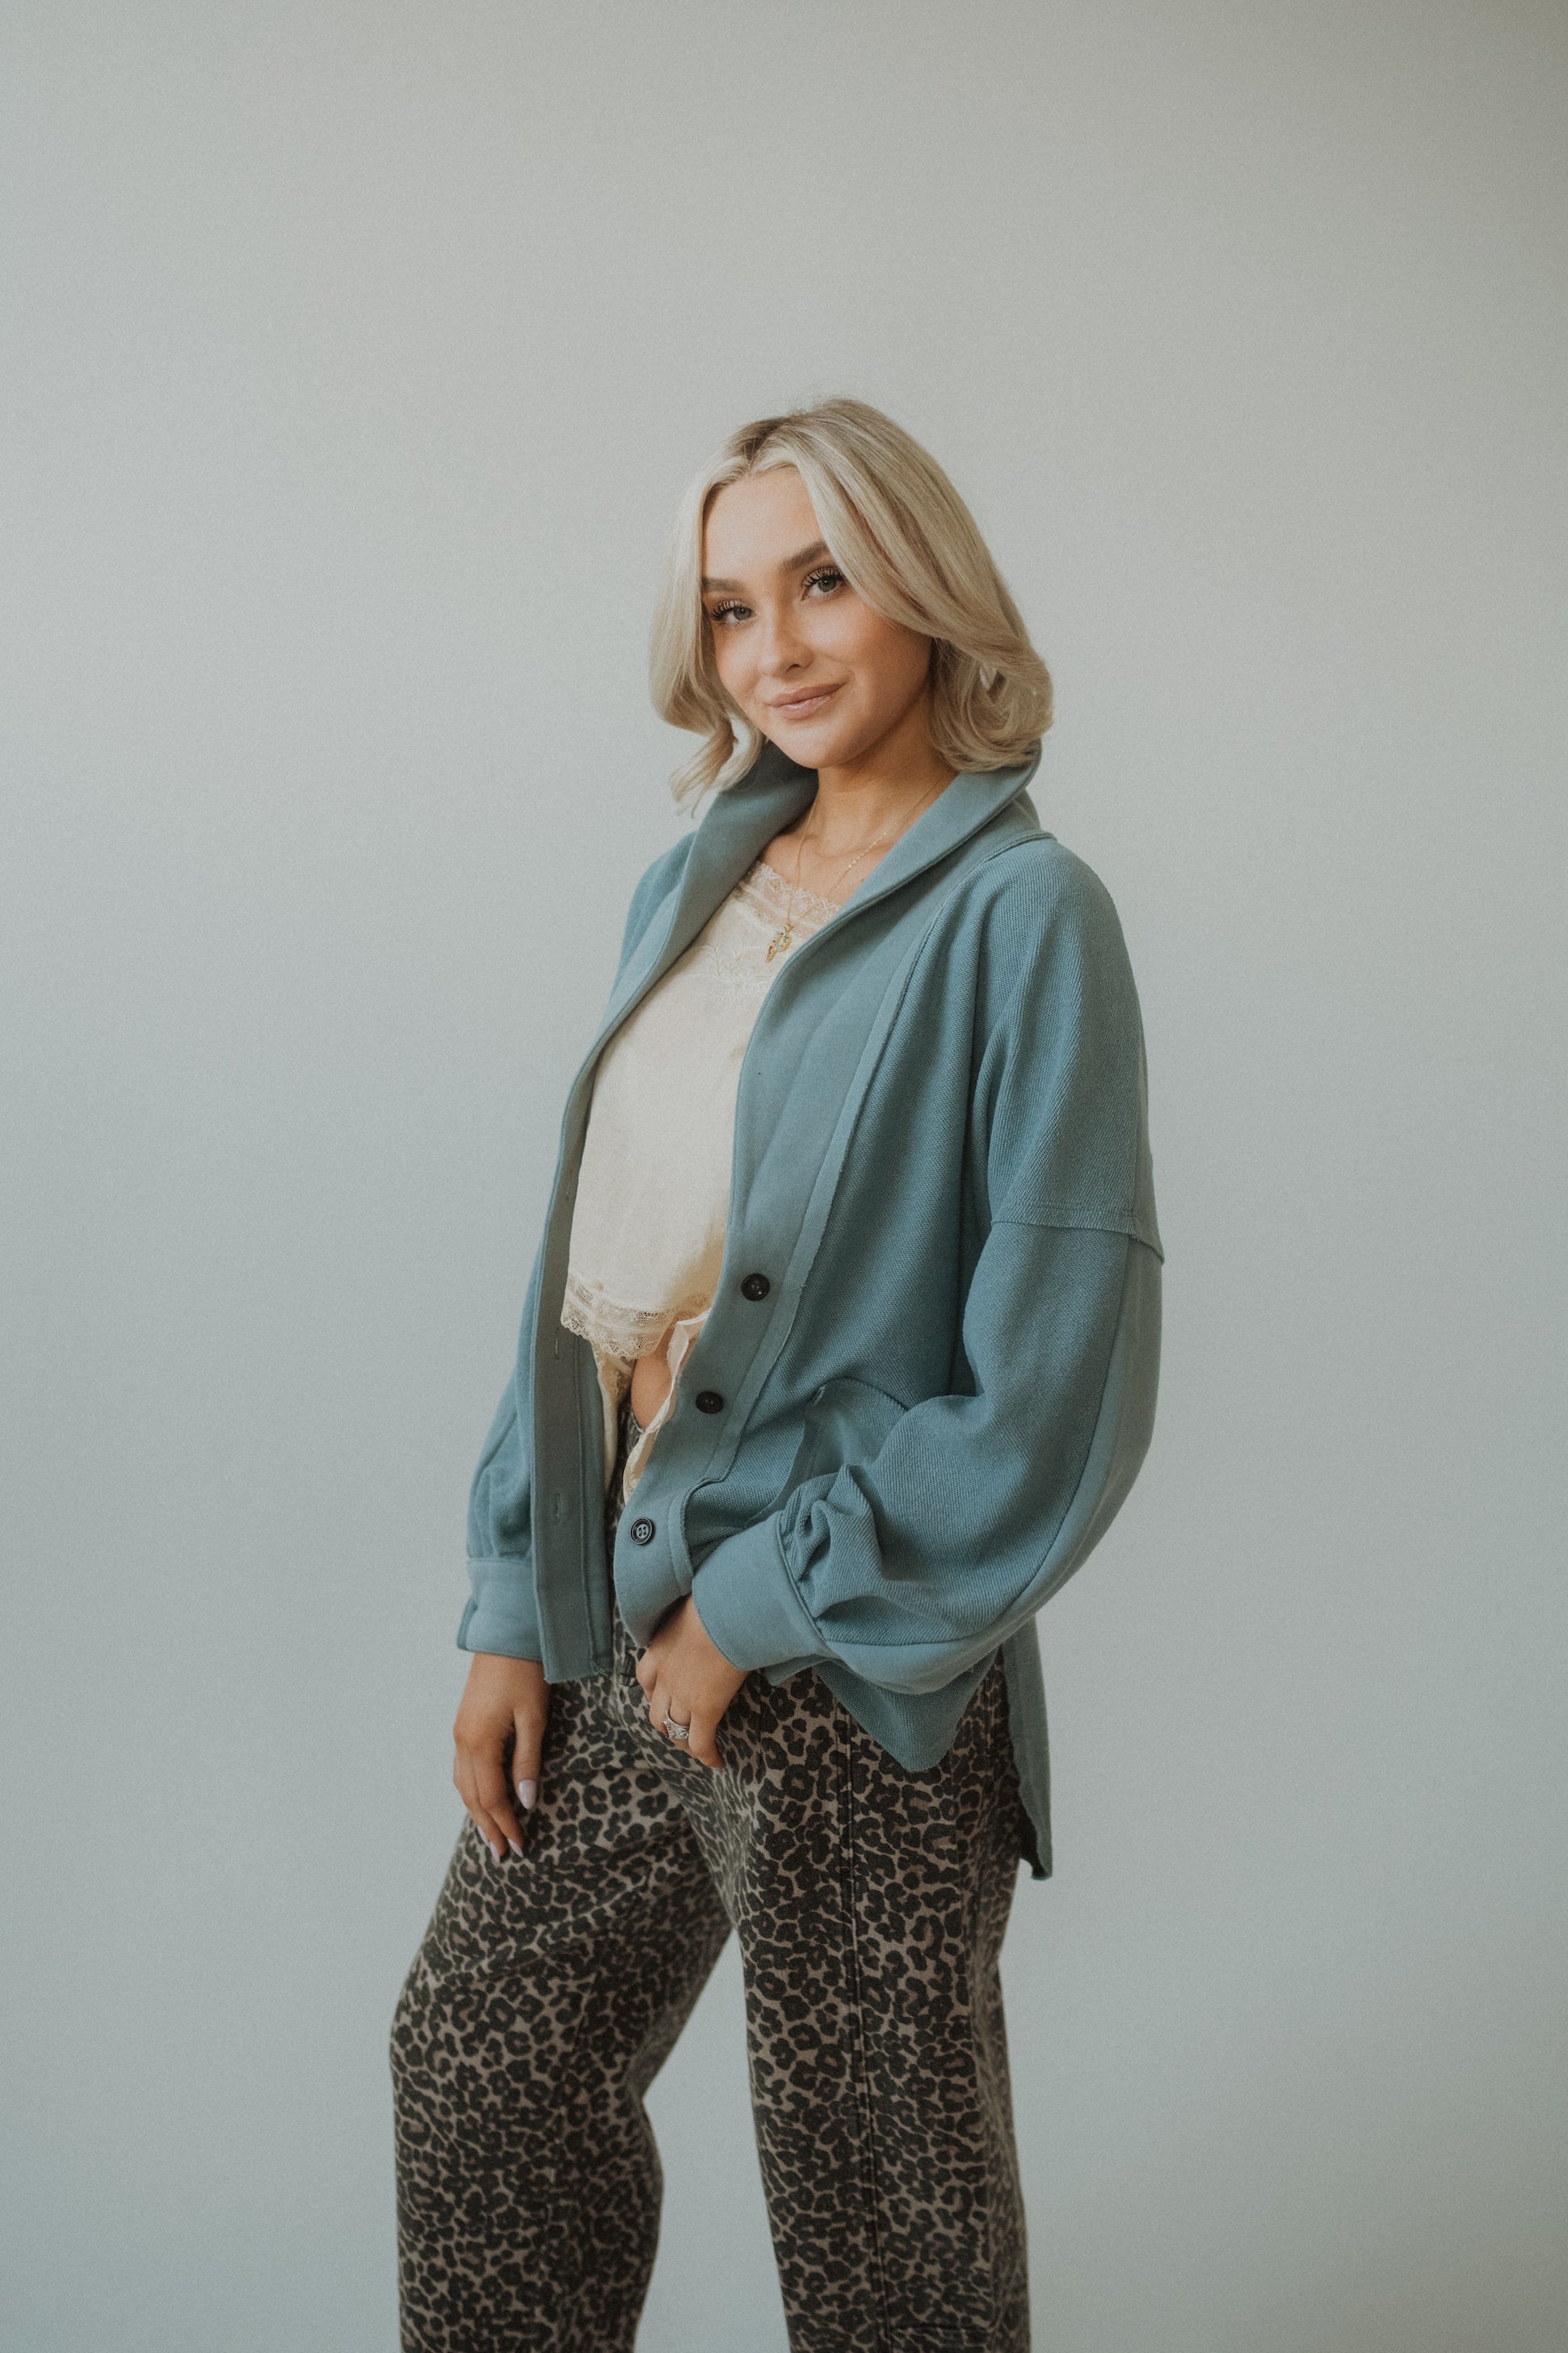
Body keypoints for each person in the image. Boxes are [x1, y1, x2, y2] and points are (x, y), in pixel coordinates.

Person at [389, 396, 1162, 2353]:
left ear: (923, 587)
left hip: (845, 1659)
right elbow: (582, 1271)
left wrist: (751, 1611)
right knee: (479, 2075)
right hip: (613, 1614)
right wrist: (513, 1596)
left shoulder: (1024, 918)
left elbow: (1049, 1387)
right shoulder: (691, 885)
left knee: (879, 2231)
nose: (775, 649)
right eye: (731, 608)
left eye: (822, 584)